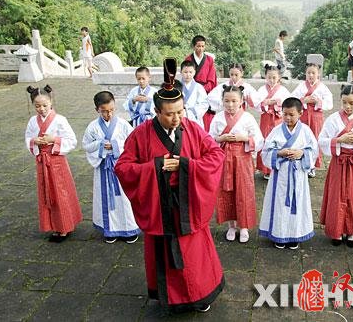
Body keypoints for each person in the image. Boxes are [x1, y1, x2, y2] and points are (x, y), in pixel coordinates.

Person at [115, 58, 225, 314]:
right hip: (159, 207)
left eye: (180, 111)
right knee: (164, 257)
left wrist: (186, 165)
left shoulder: (193, 129)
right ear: (156, 112)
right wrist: (155, 166)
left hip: (188, 205)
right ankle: (170, 298)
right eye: (170, 113)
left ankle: (200, 296)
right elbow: (122, 167)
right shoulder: (140, 134)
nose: (177, 118)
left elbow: (215, 156)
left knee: (194, 256)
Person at [319, 85, 353, 248]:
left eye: (351, 103)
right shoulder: (333, 119)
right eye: (344, 103)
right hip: (339, 162)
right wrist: (339, 140)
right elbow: (322, 140)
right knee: (337, 196)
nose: (347, 107)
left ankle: (351, 231)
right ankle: (336, 230)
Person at [25, 85, 83, 242]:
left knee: (60, 193)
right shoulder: (32, 121)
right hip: (42, 162)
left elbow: (72, 140)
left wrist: (54, 140)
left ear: (51, 102)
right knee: (46, 194)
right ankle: (52, 225)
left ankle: (64, 226)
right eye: (37, 106)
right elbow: (28, 138)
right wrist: (34, 141)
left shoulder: (59, 120)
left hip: (57, 162)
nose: (41, 109)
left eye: (45, 105)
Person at [259, 97, 318, 250]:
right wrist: (279, 153)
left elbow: (314, 150)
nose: (288, 118)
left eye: (291, 114)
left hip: (298, 174)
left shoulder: (305, 131)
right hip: (281, 175)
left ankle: (295, 234)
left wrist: (302, 153)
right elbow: (266, 151)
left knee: (298, 203)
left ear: (300, 113)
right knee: (279, 204)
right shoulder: (276, 130)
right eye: (285, 114)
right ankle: (279, 234)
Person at [83, 91, 140, 244]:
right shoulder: (93, 127)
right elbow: (87, 146)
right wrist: (100, 145)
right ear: (97, 110)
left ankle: (129, 229)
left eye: (111, 110)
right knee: (105, 198)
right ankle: (109, 229)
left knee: (125, 198)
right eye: (104, 111)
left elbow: (133, 143)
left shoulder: (122, 124)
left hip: (121, 167)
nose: (108, 113)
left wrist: (115, 146)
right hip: (103, 167)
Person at [209, 86, 263, 243]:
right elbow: (209, 139)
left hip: (242, 159)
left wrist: (244, 138)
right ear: (222, 101)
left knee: (243, 191)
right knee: (227, 191)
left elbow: (259, 140)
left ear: (241, 101)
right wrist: (220, 139)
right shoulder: (218, 118)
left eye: (234, 101)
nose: (230, 105)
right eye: (227, 101)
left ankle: (244, 226)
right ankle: (231, 225)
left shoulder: (247, 118)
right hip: (224, 158)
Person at [291, 63, 333, 177]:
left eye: (313, 73)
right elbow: (292, 98)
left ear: (318, 74)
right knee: (302, 138)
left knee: (314, 139)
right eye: (308, 72)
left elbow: (330, 103)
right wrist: (303, 100)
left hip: (316, 116)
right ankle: (300, 161)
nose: (311, 75)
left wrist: (317, 102)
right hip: (303, 115)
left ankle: (312, 165)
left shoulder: (322, 87)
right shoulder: (301, 86)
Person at [256, 64, 291, 179]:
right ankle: (266, 169)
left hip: (278, 118)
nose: (271, 80)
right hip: (266, 118)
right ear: (265, 76)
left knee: (278, 140)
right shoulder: (261, 90)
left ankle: (279, 165)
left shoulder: (283, 90)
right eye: (269, 77)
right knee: (266, 140)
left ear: (279, 78)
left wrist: (278, 103)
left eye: (274, 78)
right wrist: (265, 103)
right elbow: (257, 103)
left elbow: (288, 103)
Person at [184, 35, 217, 131]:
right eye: (198, 46)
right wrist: (195, 88)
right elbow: (187, 74)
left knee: (206, 118)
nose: (201, 48)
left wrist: (205, 89)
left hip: (206, 91)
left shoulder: (209, 59)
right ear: (194, 46)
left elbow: (212, 78)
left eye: (203, 46)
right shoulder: (188, 59)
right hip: (192, 90)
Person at [180, 60, 209, 128]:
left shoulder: (199, 87)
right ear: (181, 72)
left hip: (194, 118)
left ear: (194, 72)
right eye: (185, 72)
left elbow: (204, 103)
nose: (188, 74)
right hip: (180, 117)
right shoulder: (177, 86)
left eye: (190, 72)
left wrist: (193, 112)